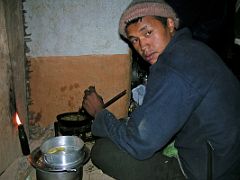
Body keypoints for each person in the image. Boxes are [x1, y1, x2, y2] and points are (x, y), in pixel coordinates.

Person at [82, 0, 240, 179]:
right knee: (124, 126)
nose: (143, 47)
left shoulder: (174, 66)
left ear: (170, 24)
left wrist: (99, 113)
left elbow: (139, 143)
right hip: (226, 160)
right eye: (135, 40)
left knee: (103, 150)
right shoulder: (192, 49)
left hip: (210, 173)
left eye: (148, 32)